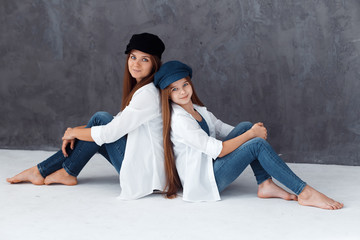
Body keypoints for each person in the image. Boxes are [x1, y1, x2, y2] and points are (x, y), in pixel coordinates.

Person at [154, 60, 343, 210]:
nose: (183, 91)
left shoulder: (195, 109)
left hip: (210, 166)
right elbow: (218, 150)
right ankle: (304, 192)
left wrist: (250, 131)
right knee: (256, 145)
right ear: (167, 94)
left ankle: (265, 185)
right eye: (174, 89)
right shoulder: (179, 120)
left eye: (185, 84)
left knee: (245, 127)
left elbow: (219, 127)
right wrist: (253, 136)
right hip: (204, 180)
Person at [7, 33, 167, 200]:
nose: (136, 64)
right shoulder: (145, 90)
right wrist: (76, 130)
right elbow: (120, 122)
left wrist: (74, 133)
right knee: (98, 125)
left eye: (145, 59)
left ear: (154, 64)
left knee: (101, 119)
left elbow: (109, 132)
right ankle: (51, 172)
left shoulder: (147, 94)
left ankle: (50, 171)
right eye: (133, 57)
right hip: (145, 168)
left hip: (145, 176)